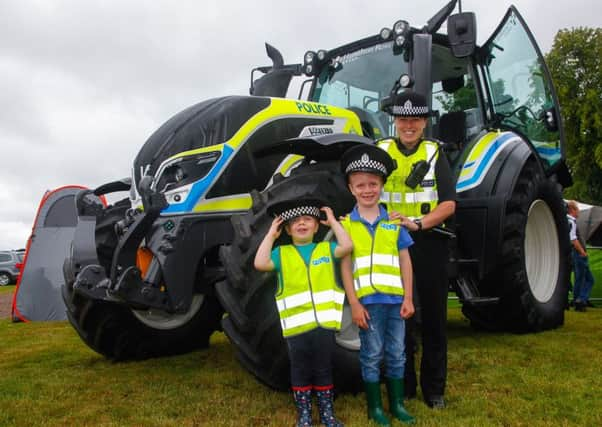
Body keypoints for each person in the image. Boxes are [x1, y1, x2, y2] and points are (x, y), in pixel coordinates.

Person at [377, 91, 456, 409]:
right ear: (395, 121)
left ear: (424, 122)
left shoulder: (435, 153)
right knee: (399, 320)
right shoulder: (380, 152)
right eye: (403, 119)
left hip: (429, 243)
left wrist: (419, 223)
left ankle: (434, 391)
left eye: (415, 120)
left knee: (435, 320)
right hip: (391, 245)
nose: (408, 125)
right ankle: (405, 386)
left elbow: (449, 204)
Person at [254, 198, 352, 427]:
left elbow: (347, 246)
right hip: (297, 328)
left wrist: (334, 223)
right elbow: (260, 263)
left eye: (307, 219)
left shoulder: (325, 249)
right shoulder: (281, 254)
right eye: (295, 221)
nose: (301, 224)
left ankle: (328, 414)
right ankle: (304, 415)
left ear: (317, 226)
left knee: (323, 368)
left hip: (324, 327)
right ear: (287, 229)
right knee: (300, 370)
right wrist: (271, 235)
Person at [339, 144, 416, 426]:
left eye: (373, 184)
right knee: (371, 355)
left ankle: (397, 404)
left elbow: (405, 261)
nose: (367, 190)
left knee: (397, 352)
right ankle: (375, 408)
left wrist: (408, 297)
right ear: (351, 189)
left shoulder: (393, 223)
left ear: (382, 185)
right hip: (367, 305)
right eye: (360, 185)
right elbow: (345, 267)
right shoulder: (346, 226)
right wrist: (355, 304)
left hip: (395, 302)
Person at [567, 200, 595, 311]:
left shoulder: (567, 220)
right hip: (578, 254)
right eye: (577, 209)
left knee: (579, 278)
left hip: (575, 254)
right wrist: (582, 252)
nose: (578, 211)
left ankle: (577, 301)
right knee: (589, 280)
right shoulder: (572, 221)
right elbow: (573, 239)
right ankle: (581, 299)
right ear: (572, 210)